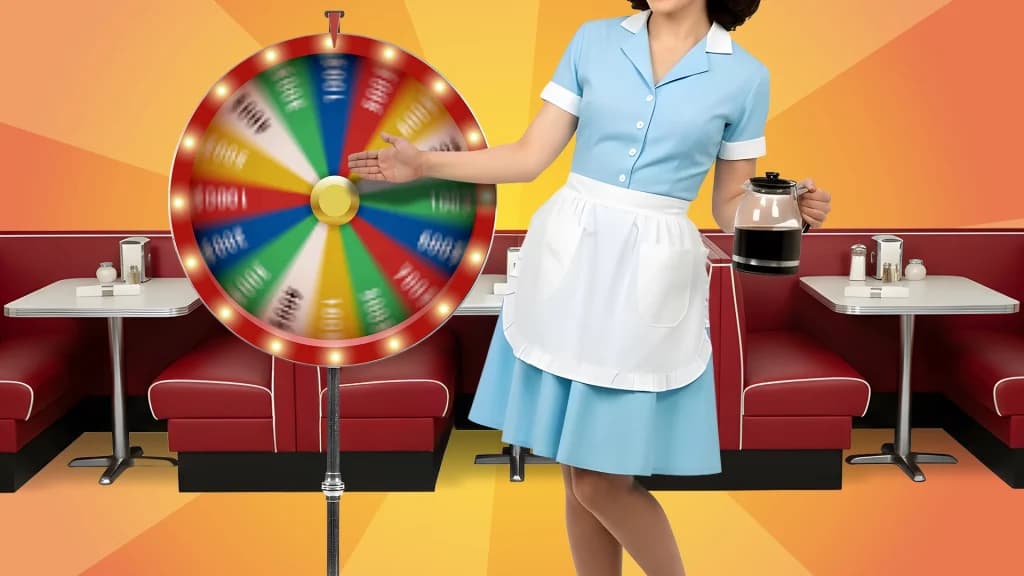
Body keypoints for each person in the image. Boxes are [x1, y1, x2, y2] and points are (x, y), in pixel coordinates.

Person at [349, 1, 832, 573]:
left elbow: (728, 205)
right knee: (579, 471)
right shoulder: (594, 41)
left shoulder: (745, 76)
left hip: (652, 272)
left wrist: (785, 212)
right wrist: (423, 164)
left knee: (602, 482)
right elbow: (530, 158)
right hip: (572, 260)